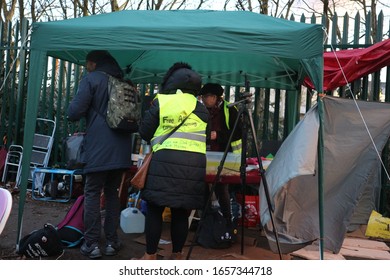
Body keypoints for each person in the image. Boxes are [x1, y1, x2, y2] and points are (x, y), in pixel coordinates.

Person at [135, 62, 209, 260]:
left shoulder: (163, 102)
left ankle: (150, 256)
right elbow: (207, 137)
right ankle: (177, 256)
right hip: (192, 168)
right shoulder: (201, 109)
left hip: (163, 164)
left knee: (154, 210)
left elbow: (144, 132)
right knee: (180, 212)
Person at [67, 50, 133, 259]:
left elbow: (74, 112)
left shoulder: (91, 80)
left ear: (93, 63)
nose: (86, 68)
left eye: (87, 64)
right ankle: (112, 242)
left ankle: (92, 243)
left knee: (93, 193)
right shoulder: (124, 83)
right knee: (113, 193)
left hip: (98, 149)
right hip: (121, 148)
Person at [200, 83, 242, 231]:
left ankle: (226, 221)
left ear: (214, 97)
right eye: (202, 97)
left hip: (224, 155)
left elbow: (238, 132)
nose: (204, 100)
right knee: (202, 187)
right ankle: (205, 221)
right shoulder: (202, 110)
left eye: (206, 97)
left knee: (221, 188)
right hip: (205, 154)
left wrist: (217, 135)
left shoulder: (230, 110)